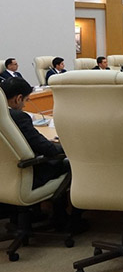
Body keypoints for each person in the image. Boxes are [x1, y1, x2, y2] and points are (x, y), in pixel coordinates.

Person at [0, 77, 82, 231]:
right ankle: (65, 221)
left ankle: (25, 216)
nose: (25, 105)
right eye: (26, 100)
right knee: (70, 164)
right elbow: (47, 149)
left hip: (5, 178)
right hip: (26, 177)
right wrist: (66, 146)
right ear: (18, 99)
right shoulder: (18, 117)